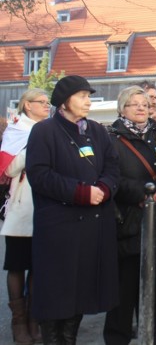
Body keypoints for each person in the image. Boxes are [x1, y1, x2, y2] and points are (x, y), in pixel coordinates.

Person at [25, 75, 120, 344]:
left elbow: (113, 167)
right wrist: (80, 192)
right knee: (56, 295)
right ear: (64, 102)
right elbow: (39, 174)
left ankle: (69, 340)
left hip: (92, 227)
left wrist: (104, 187)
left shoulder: (97, 131)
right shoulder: (44, 131)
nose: (88, 101)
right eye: (82, 96)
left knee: (80, 295)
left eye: (89, 96)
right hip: (59, 229)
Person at [103, 86, 156, 345]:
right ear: (122, 109)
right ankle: (117, 338)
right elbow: (111, 176)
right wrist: (141, 194)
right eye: (134, 104)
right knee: (124, 289)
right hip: (129, 222)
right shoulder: (111, 138)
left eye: (145, 104)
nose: (141, 108)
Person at [1, 89, 50, 344]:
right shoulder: (17, 131)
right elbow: (8, 167)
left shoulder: (50, 129)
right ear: (27, 106)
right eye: (41, 102)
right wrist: (33, 146)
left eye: (48, 102)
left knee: (39, 266)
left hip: (46, 206)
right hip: (22, 206)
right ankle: (19, 321)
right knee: (18, 264)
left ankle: (34, 318)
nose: (47, 106)